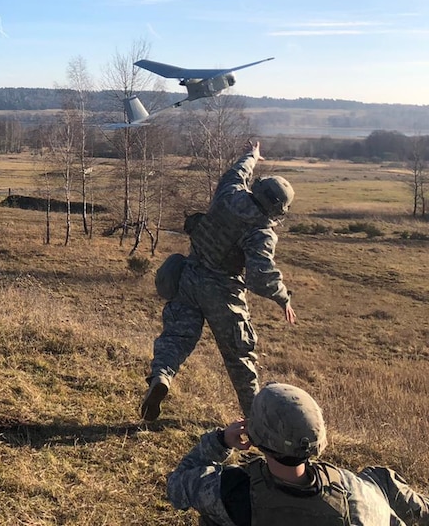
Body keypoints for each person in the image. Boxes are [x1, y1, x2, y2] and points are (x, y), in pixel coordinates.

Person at [142, 140, 296, 421]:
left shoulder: (230, 192)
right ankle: (255, 421)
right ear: (277, 210)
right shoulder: (261, 231)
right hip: (223, 293)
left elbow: (238, 170)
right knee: (239, 358)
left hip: (188, 276)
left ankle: (162, 376)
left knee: (176, 337)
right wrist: (283, 296)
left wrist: (252, 155)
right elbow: (260, 277)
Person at [167, 382, 429, 525]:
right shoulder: (351, 491)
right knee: (380, 478)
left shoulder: (231, 491)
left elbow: (177, 486)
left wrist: (220, 441)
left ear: (257, 438)